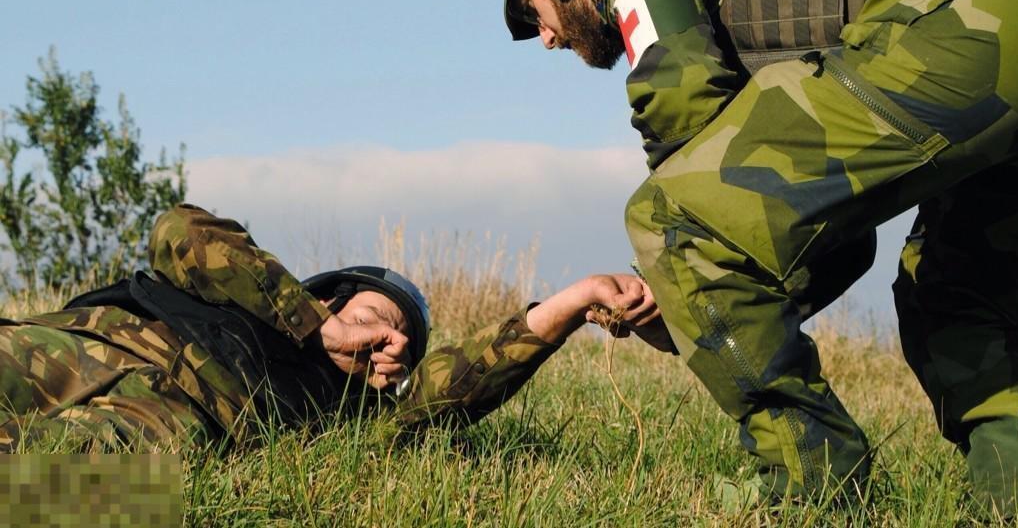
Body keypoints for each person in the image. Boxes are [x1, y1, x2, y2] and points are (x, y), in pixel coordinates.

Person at [486, 0, 1018, 515]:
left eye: (522, 6)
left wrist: (685, 263)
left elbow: (677, 87)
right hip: (997, 4)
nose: (539, 37)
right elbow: (837, 237)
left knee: (675, 218)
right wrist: (691, 304)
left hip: (960, 29)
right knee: (961, 296)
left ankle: (813, 494)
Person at [0, 203, 663, 452]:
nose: (388, 335)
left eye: (402, 339)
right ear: (333, 298)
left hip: (172, 428)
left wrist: (570, 304)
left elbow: (459, 384)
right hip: (94, 343)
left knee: (62, 501)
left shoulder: (350, 422)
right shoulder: (260, 294)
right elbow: (178, 230)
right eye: (374, 314)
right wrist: (310, 324)